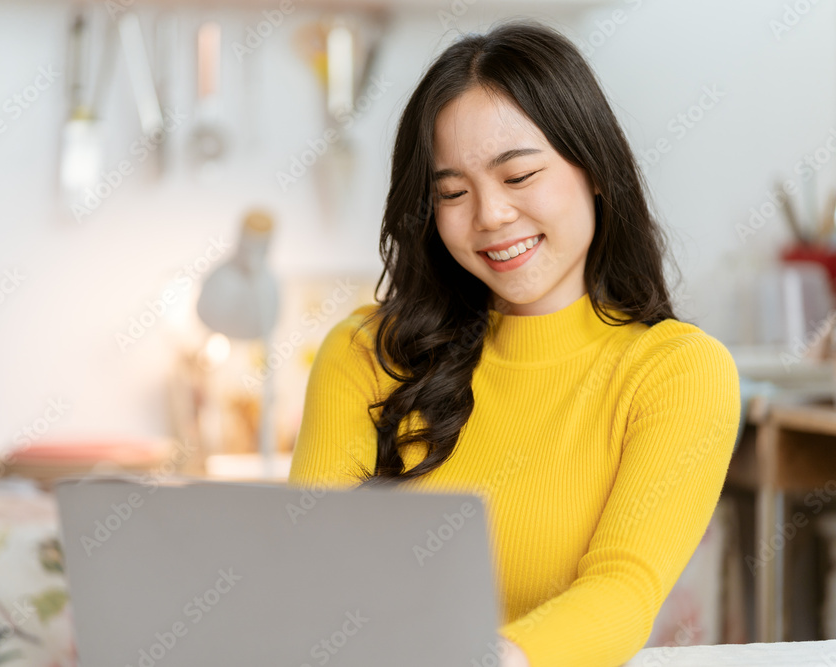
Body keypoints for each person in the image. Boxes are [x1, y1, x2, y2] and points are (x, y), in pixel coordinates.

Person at [286, 17, 741, 667]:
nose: (490, 215)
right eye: (452, 192)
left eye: (519, 175)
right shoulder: (366, 353)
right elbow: (307, 576)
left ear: (596, 171)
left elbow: (622, 591)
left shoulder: (678, 372)